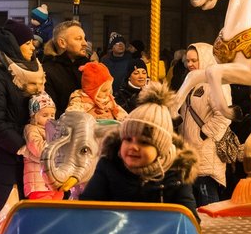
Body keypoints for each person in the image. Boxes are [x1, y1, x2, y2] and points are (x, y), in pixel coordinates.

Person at [81, 83, 199, 220]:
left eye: (144, 142)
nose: (133, 147)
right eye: (128, 139)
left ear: (160, 149)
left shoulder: (176, 173)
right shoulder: (109, 165)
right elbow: (87, 208)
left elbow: (189, 218)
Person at [0, 21, 45, 217]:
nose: (33, 47)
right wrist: (24, 147)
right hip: (3, 161)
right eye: (28, 43)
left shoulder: (34, 74)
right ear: (13, 46)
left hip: (29, 160)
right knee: (6, 221)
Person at [178, 43, 234, 207]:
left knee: (207, 199)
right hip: (190, 151)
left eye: (194, 60)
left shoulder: (216, 84)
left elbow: (224, 116)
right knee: (192, 201)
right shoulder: (191, 82)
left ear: (205, 59)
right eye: (187, 61)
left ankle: (212, 232)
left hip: (206, 150)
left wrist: (203, 134)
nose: (190, 64)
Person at [41, 20, 89, 116]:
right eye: (79, 39)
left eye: (84, 39)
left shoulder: (88, 67)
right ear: (62, 43)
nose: (85, 43)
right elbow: (50, 112)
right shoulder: (47, 71)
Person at [22, 92, 59, 200]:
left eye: (52, 115)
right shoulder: (32, 129)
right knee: (42, 208)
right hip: (37, 182)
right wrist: (57, 144)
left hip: (54, 180)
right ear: (34, 116)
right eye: (45, 115)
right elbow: (38, 149)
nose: (49, 118)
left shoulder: (54, 130)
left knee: (57, 209)